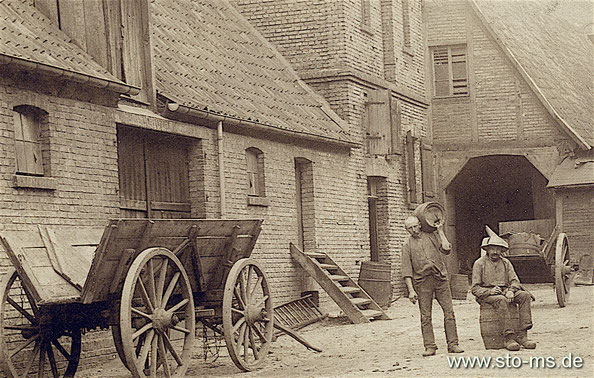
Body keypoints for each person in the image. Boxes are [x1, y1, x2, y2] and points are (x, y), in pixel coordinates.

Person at [401, 215, 464, 356]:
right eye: (409, 228)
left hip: (440, 279)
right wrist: (411, 291)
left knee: (449, 312)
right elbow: (406, 270)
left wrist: (440, 230)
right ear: (406, 230)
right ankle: (430, 346)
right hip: (422, 282)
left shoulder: (432, 236)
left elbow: (447, 249)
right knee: (425, 316)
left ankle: (453, 344)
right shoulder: (407, 245)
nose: (413, 230)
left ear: (420, 225)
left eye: (415, 226)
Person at [471, 227, 536, 351]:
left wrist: (511, 290)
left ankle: (523, 335)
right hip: (488, 295)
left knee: (524, 296)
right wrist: (489, 291)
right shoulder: (479, 264)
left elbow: (515, 280)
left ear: (501, 250)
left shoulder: (506, 263)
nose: (495, 251)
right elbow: (475, 288)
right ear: (487, 249)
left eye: (498, 249)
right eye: (492, 248)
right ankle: (509, 337)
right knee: (501, 299)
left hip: (506, 291)